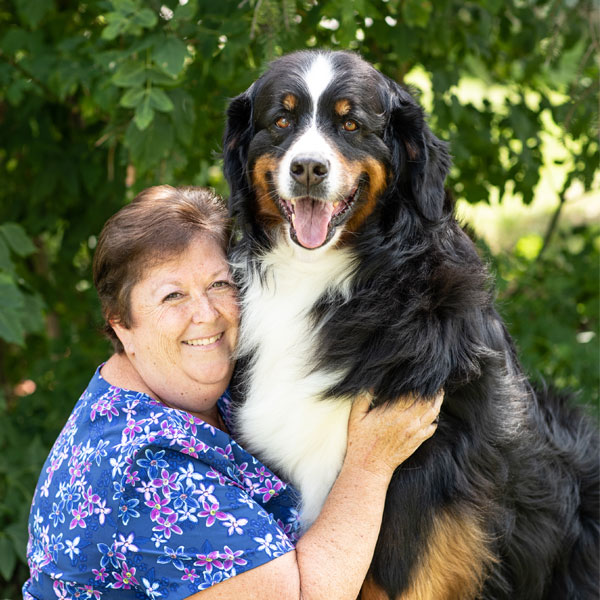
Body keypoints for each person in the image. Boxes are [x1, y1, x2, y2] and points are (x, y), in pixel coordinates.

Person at [23, 185, 442, 600]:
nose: (206, 315)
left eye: (219, 284)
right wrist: (370, 464)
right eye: (173, 296)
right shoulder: (145, 469)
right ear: (121, 323)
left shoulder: (195, 392)